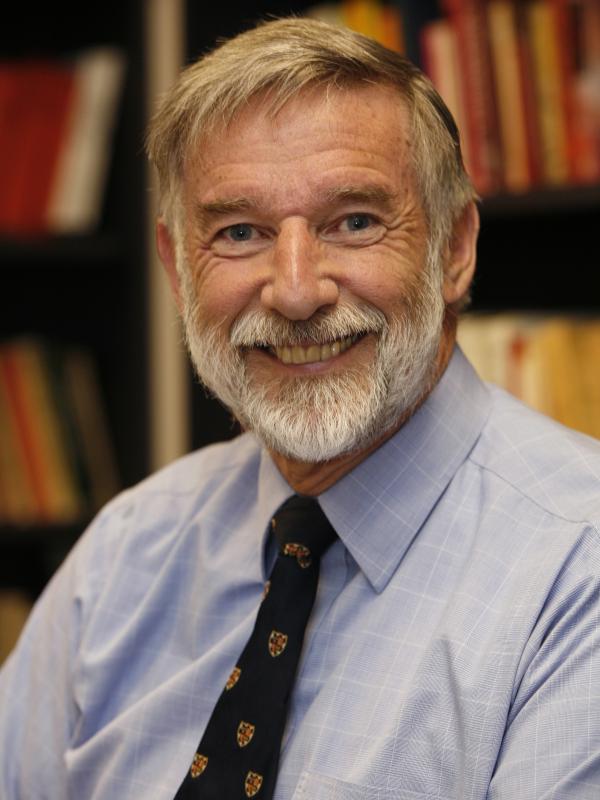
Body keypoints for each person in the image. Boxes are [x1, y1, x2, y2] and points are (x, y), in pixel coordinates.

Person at [1, 16, 600, 800]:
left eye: (353, 222)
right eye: (240, 232)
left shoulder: (576, 571)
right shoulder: (122, 558)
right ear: (179, 273)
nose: (293, 291)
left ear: (454, 248)